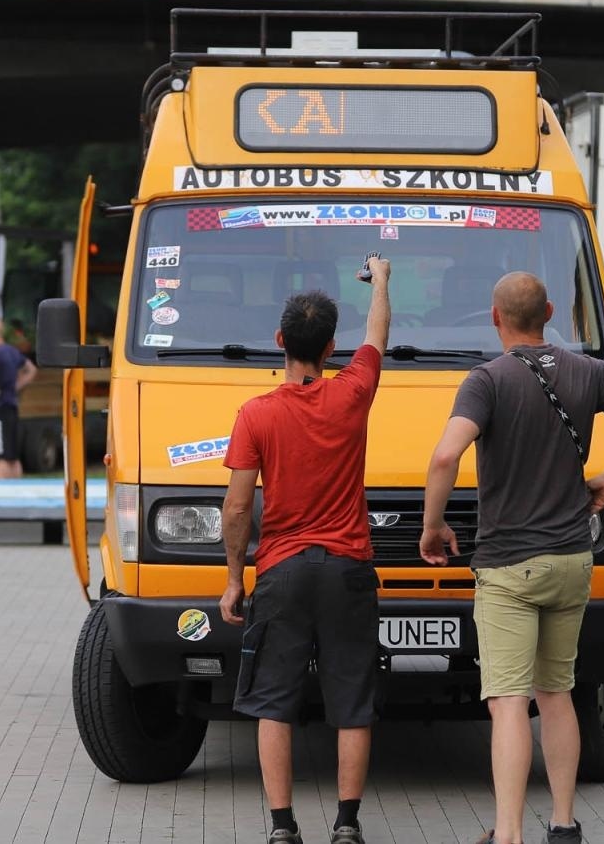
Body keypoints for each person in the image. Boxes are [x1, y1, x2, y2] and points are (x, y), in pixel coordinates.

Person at [419, 272, 604, 844]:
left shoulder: (486, 380)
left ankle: (508, 835)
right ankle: (563, 826)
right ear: (551, 312)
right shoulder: (585, 371)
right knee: (557, 694)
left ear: (495, 318)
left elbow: (444, 459)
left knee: (509, 702)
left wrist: (433, 527)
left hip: (510, 566)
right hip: (571, 561)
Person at [219, 255, 393, 844]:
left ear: (278, 342)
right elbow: (378, 336)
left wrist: (234, 579)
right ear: (331, 347)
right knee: (352, 700)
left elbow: (239, 508)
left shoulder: (256, 414)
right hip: (348, 567)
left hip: (283, 571)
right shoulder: (353, 395)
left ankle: (282, 826)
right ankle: (346, 825)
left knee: (274, 699)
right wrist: (382, 282)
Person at [0, 316, 35, 479]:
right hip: (12, 405)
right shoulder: (12, 351)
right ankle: (17, 494)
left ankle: (0, 496)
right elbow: (31, 370)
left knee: (1, 455)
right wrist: (17, 386)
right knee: (13, 455)